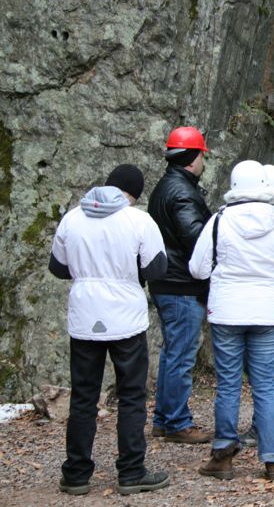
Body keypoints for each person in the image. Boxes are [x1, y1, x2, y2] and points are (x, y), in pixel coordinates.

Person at [49, 164, 170, 496]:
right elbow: (157, 267)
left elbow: (58, 267)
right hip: (126, 318)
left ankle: (75, 473)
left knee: (84, 396)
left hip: (84, 316)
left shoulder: (72, 218)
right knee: (131, 396)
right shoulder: (138, 220)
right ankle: (131, 472)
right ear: (134, 193)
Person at [189, 160, 274, 481]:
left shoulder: (219, 220)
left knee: (229, 385)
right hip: (266, 310)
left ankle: (222, 456)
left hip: (227, 311)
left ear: (234, 185)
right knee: (264, 385)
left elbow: (198, 268)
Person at [147, 126, 212, 443]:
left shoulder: (166, 186)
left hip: (167, 282)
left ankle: (164, 418)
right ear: (192, 157)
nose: (203, 161)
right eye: (202, 155)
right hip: (181, 284)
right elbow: (196, 239)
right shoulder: (182, 192)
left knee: (173, 353)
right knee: (182, 355)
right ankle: (175, 422)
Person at [241, 164, 274, 447]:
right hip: (270, 298)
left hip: (264, 299)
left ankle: (271, 425)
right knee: (260, 370)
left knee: (259, 371)